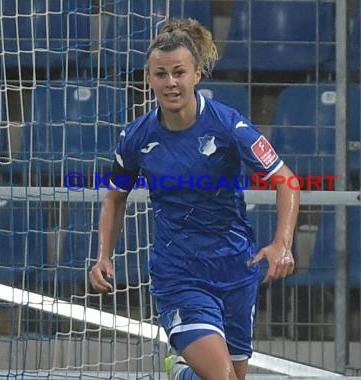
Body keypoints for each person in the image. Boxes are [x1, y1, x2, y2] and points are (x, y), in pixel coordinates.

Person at [89, 18, 300, 380]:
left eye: (178, 72)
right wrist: (104, 255)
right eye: (161, 74)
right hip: (179, 273)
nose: (170, 82)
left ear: (197, 74)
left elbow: (287, 180)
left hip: (236, 268)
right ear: (149, 78)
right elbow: (115, 197)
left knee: (233, 374)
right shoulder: (137, 137)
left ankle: (183, 372)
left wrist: (282, 243)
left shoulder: (228, 126)